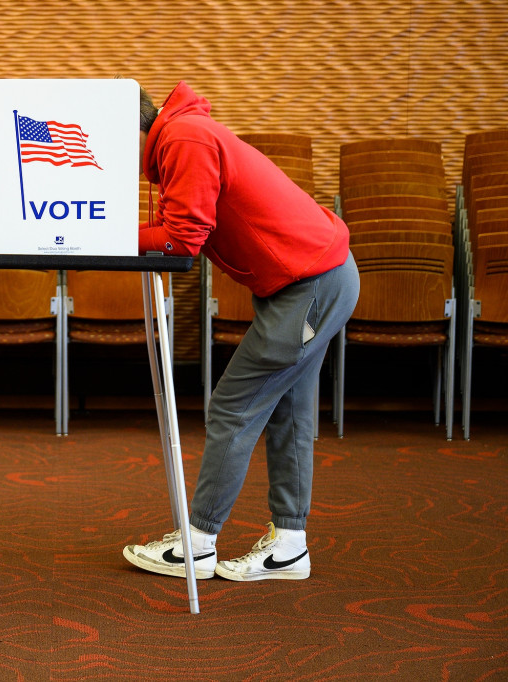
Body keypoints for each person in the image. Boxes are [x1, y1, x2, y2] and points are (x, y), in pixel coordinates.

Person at [123, 81, 360, 581]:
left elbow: (181, 241)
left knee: (233, 406)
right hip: (315, 279)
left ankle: (199, 542)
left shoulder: (183, 139)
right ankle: (289, 547)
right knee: (290, 412)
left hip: (311, 286)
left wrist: (102, 231)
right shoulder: (181, 136)